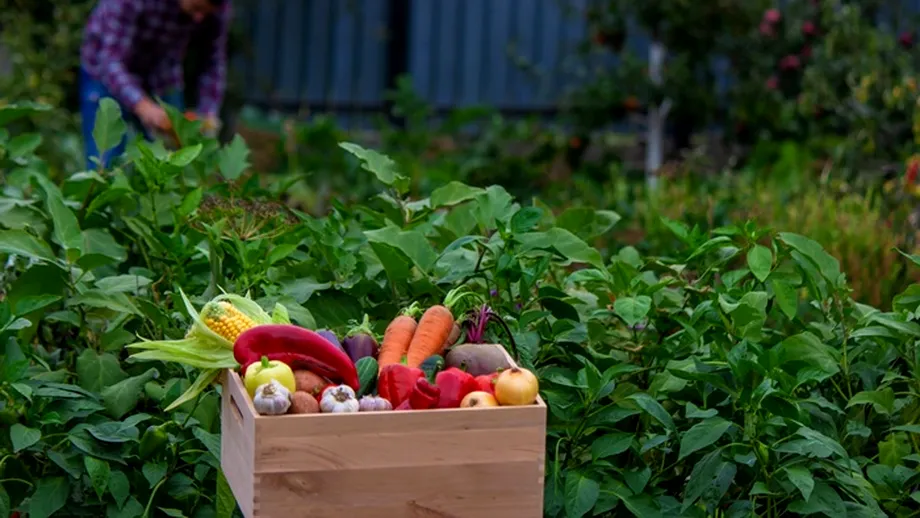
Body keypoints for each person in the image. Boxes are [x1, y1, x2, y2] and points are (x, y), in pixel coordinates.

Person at [79, 0, 231, 168]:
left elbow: (213, 62)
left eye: (206, 12)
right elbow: (110, 61)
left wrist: (208, 114)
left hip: (162, 74)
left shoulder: (219, 5)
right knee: (105, 164)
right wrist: (143, 106)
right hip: (104, 71)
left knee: (174, 162)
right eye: (197, 9)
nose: (199, 19)